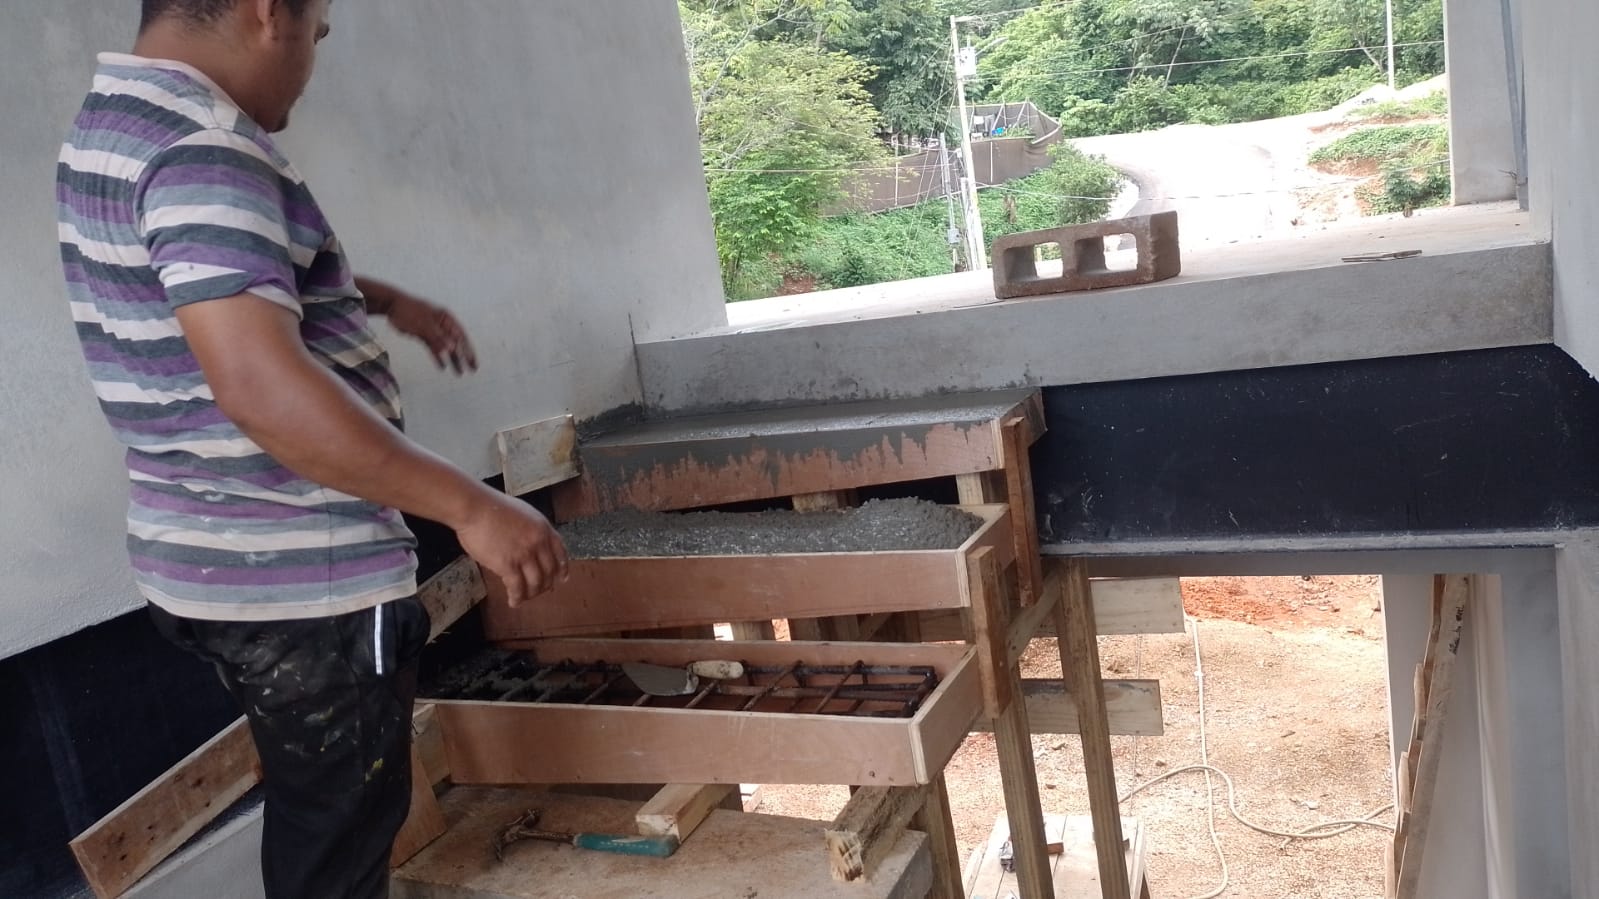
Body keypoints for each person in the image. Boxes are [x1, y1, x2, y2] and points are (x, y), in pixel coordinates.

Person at [56, 1, 569, 895]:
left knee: (316, 819)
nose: (312, 61)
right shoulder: (206, 147)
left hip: (202, 560)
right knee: (337, 844)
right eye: (318, 33)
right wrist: (472, 505)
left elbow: (212, 277)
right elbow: (260, 388)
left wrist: (371, 296)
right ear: (266, 13)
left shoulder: (114, 125)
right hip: (306, 580)